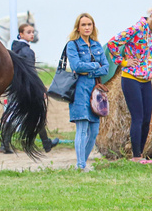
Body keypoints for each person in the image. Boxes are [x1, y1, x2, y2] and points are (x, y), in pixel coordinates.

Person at [6, 23, 59, 153]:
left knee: (13, 113)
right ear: (21, 34)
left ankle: (5, 144)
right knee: (37, 114)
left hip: (17, 86)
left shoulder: (15, 49)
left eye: (32, 32)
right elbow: (31, 72)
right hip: (27, 88)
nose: (32, 34)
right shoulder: (27, 51)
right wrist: (41, 89)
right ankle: (46, 144)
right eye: (28, 32)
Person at [107, 11, 152, 162]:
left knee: (146, 118)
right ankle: (136, 156)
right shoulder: (137, 29)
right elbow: (112, 43)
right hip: (130, 78)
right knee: (138, 117)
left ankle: (142, 154)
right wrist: (124, 62)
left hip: (146, 80)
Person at [67, 13, 109, 170]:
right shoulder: (72, 45)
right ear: (78, 27)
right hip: (79, 89)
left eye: (89, 24)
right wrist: (94, 66)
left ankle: (81, 163)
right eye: (83, 25)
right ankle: (81, 165)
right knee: (82, 128)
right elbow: (76, 66)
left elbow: (105, 68)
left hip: (95, 90)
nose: (86, 27)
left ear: (93, 26)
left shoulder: (97, 45)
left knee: (94, 131)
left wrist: (89, 69)